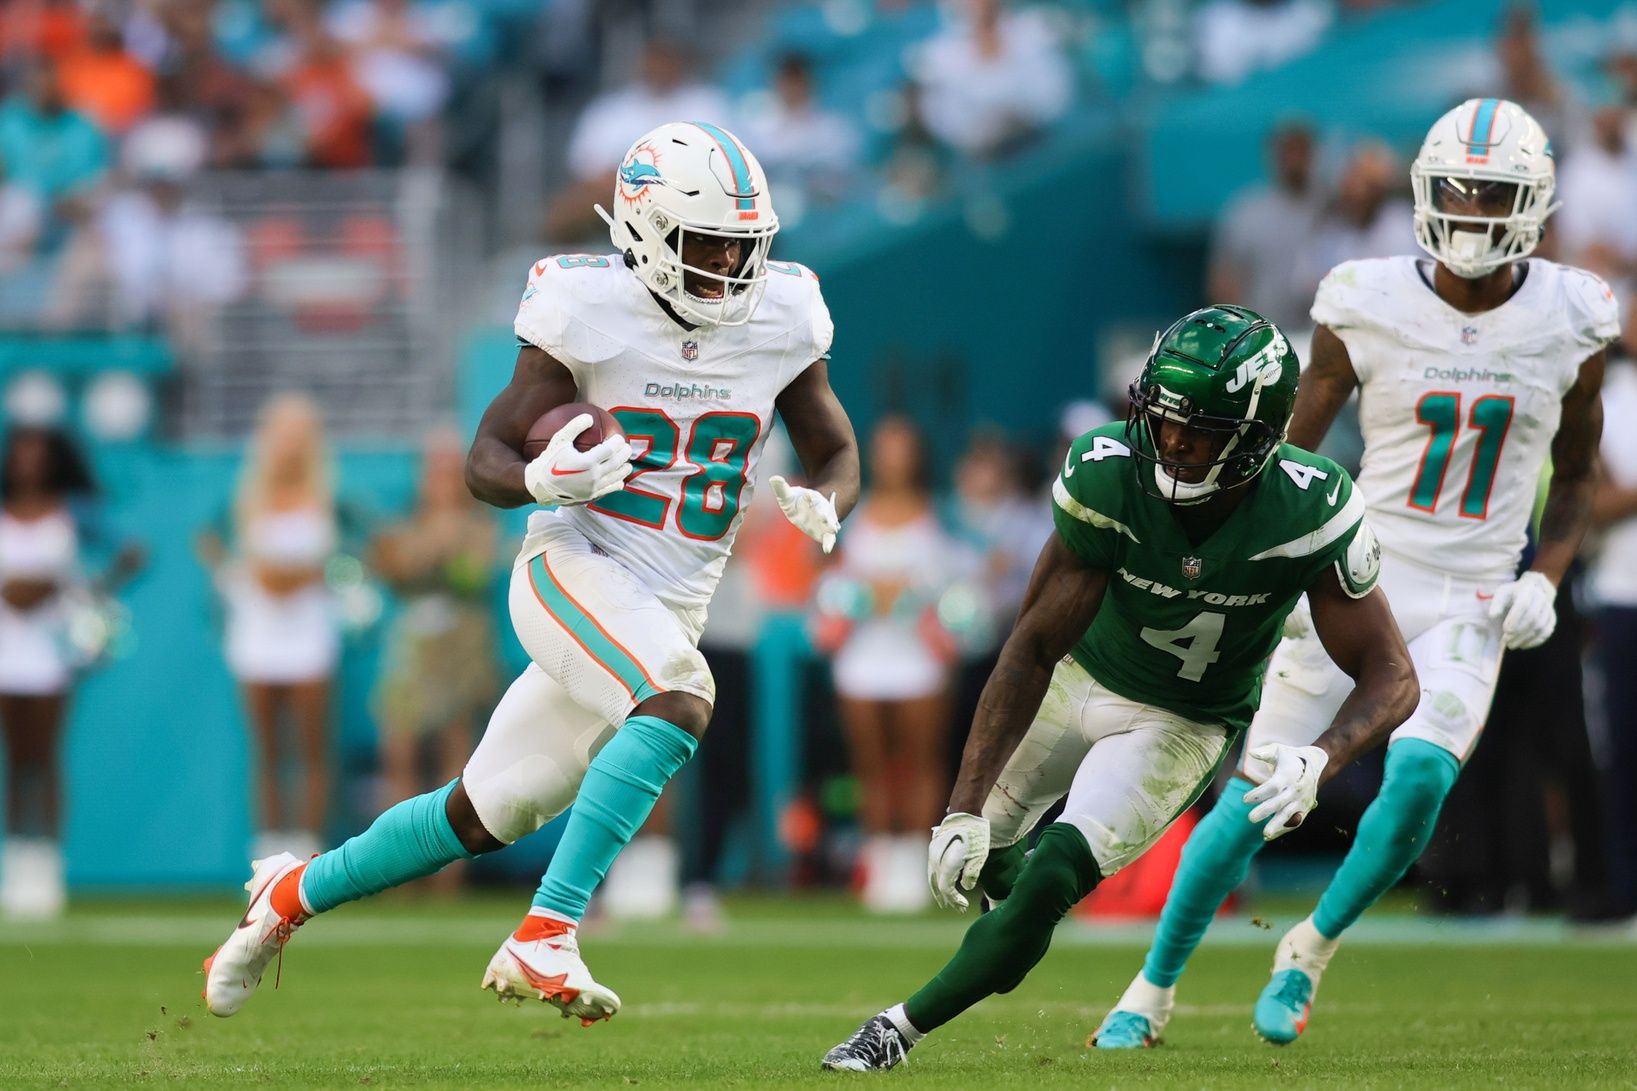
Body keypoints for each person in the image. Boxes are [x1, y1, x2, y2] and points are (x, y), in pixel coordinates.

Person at [202, 120, 861, 1025]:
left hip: (668, 602)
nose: (727, 268)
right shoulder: (585, 306)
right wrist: (536, 477)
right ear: (644, 231)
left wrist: (830, 498)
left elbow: (835, 446)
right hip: (574, 566)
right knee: (678, 698)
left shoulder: (781, 314)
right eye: (706, 244)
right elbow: (486, 453)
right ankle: (545, 931)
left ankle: (282, 899)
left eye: (742, 247)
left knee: (484, 812)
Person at [1096, 98, 1617, 1050]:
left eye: (1490, 193)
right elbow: (1282, 456)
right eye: (1454, 189)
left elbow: (1580, 472)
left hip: (1473, 590)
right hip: (1355, 574)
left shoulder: (1570, 316)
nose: (1468, 208)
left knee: (1417, 782)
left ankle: (1308, 948)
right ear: (1421, 191)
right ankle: (1149, 986)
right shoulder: (1362, 299)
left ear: (1532, 204)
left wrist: (1546, 570)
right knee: (1248, 803)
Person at [822, 305, 1419, 1070]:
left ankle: (893, 1031)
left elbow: (1392, 673)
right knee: (986, 863)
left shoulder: (1308, 506)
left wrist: (1322, 755)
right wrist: (965, 802)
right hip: (1075, 679)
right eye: (1162, 416)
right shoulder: (1109, 468)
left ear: (1256, 437)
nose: (1169, 439)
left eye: (1196, 427)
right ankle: (1004, 892)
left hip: (1181, 718)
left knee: (1048, 883)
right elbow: (1032, 642)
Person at [817, 416, 965, 913]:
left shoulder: (938, 516)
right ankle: (880, 864)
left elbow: (958, 586)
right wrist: (862, 596)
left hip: (919, 661)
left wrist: (915, 598)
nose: (892, 459)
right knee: (872, 768)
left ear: (917, 457)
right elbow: (833, 583)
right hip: (862, 659)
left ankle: (917, 867)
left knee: (922, 764)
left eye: (902, 449)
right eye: (884, 449)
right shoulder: (851, 512)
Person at [0, 426, 141, 918]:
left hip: (49, 652)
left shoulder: (71, 511)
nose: (28, 463)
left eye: (38, 453)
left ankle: (46, 865)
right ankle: (16, 860)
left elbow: (131, 550)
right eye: (21, 453)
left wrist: (87, 592)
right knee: (14, 759)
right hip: (5, 650)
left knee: (44, 755)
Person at [198, 394, 342, 864]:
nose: (291, 447)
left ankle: (307, 852)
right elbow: (208, 538)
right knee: (267, 748)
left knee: (309, 744)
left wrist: (304, 575)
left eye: (300, 437)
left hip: (309, 630)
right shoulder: (245, 496)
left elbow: (348, 554)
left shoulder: (329, 495)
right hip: (258, 630)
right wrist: (235, 574)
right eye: (283, 436)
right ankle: (267, 853)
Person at [368, 427, 499, 893]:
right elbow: (393, 568)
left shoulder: (480, 524)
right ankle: (395, 870)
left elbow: (474, 573)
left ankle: (448, 877)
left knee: (455, 758)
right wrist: (434, 543)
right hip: (412, 648)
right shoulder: (404, 523)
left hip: (460, 648)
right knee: (399, 752)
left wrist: (440, 543)